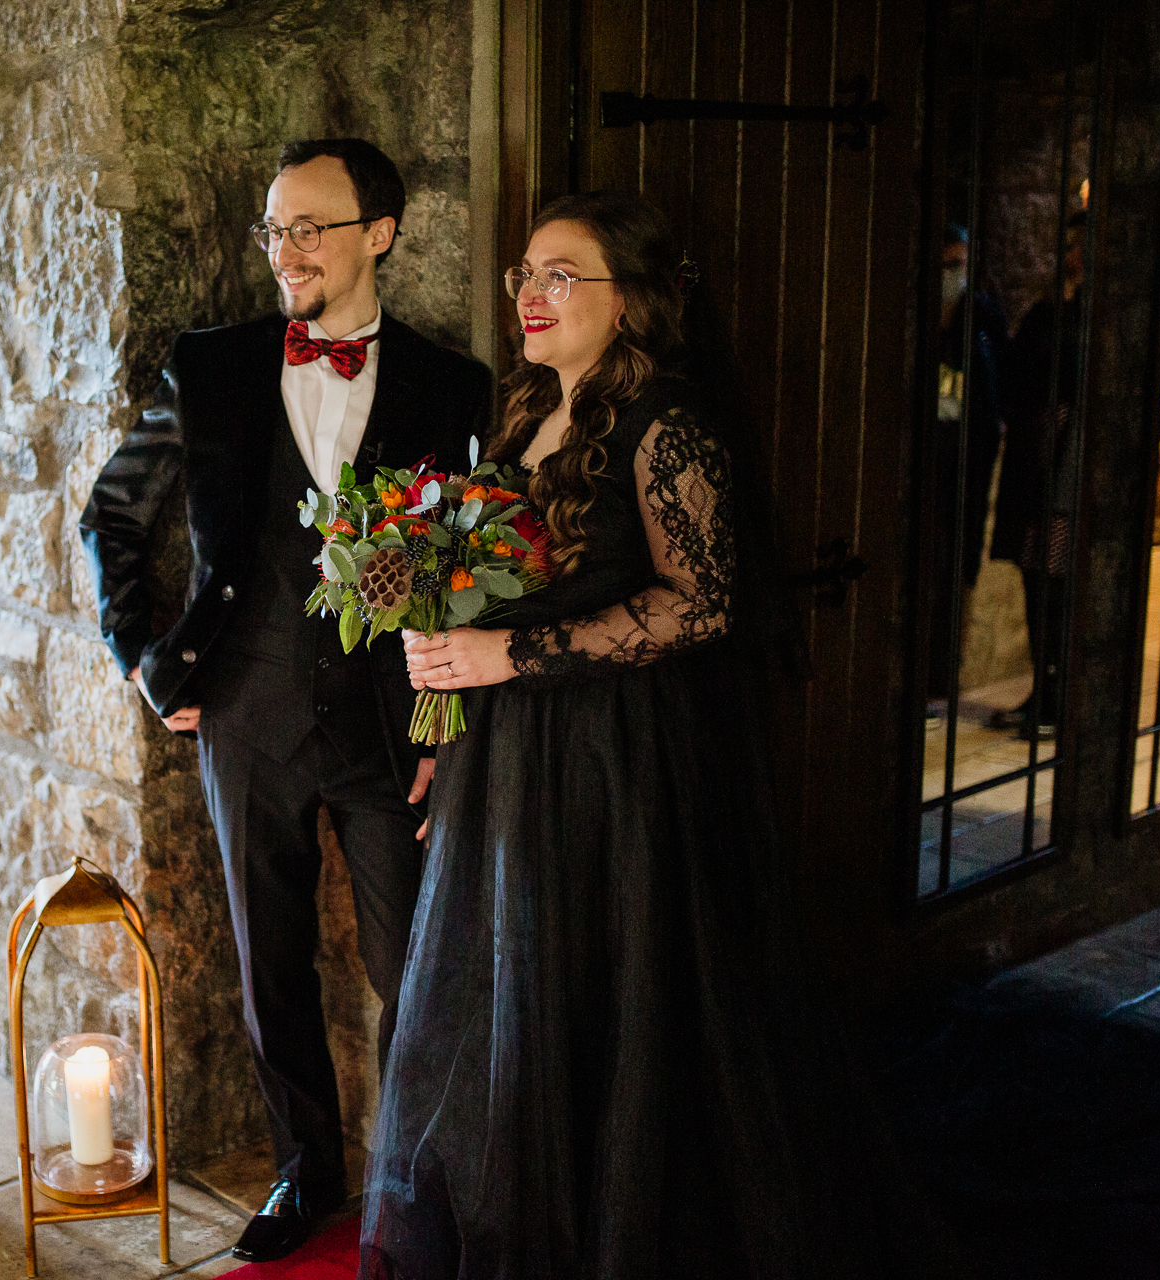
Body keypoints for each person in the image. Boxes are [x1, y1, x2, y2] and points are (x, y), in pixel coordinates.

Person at [357, 192, 948, 1279]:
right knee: (513, 1000)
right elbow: (490, 592)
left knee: (612, 1000)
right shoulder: (525, 413)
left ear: (627, 301)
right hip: (510, 760)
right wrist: (452, 706)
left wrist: (506, 660)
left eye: (559, 275)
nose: (530, 295)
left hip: (617, 765)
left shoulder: (668, 423)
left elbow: (703, 602)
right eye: (523, 274)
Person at [79, 138, 492, 1262]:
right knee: (269, 962)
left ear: (381, 233)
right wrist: (142, 656)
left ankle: (420, 1179)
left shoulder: (456, 386)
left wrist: (445, 725)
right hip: (246, 712)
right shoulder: (209, 367)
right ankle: (307, 1173)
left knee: (414, 962)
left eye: (312, 225)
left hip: (387, 726)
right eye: (276, 227)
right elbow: (111, 512)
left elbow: (469, 570)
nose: (288, 249)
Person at [986, 210, 1086, 741]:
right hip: (1036, 460)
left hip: (1062, 468)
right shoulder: (1052, 313)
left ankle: (1058, 699)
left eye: (1082, 246)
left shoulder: (1093, 321)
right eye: (1072, 244)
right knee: (1033, 579)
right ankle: (1041, 694)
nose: (1073, 253)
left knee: (1055, 584)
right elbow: (1018, 367)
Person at [927, 224, 1007, 720]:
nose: (954, 276)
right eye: (947, 265)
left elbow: (997, 383)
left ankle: (942, 676)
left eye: (961, 265)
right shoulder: (926, 316)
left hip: (966, 458)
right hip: (932, 456)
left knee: (956, 568)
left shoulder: (981, 314)